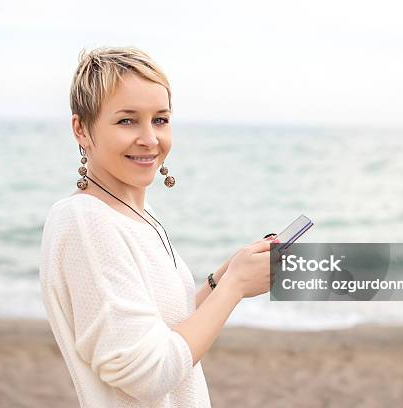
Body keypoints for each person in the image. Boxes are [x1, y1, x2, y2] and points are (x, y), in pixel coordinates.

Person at [39, 46, 277, 408]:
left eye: (160, 120)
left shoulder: (135, 213)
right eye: (127, 120)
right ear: (81, 129)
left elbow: (162, 332)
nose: (150, 139)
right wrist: (236, 286)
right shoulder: (86, 221)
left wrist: (220, 281)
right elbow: (148, 374)